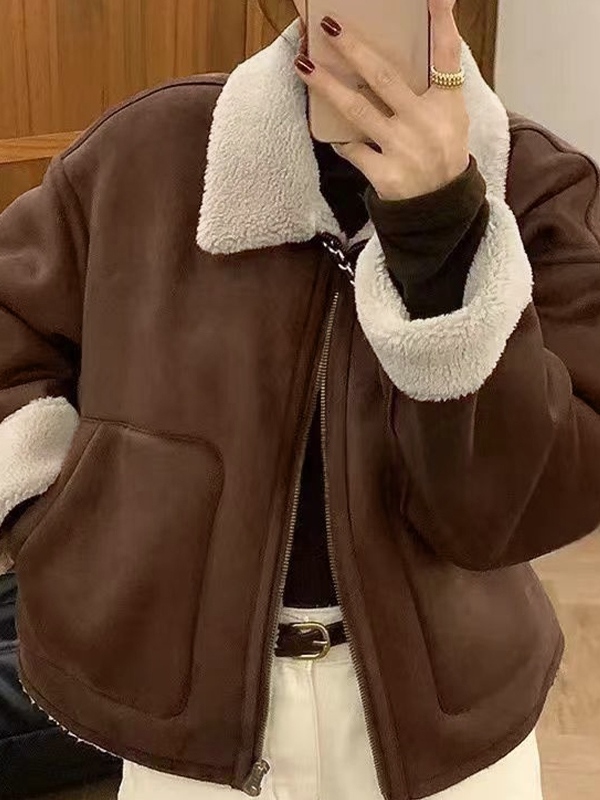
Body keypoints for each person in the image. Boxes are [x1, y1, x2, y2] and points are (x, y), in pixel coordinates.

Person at [0, 0, 599, 798]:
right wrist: (54, 513)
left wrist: (445, 231)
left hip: (449, 729)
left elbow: (535, 497)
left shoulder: (541, 188)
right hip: (187, 724)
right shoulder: (146, 153)